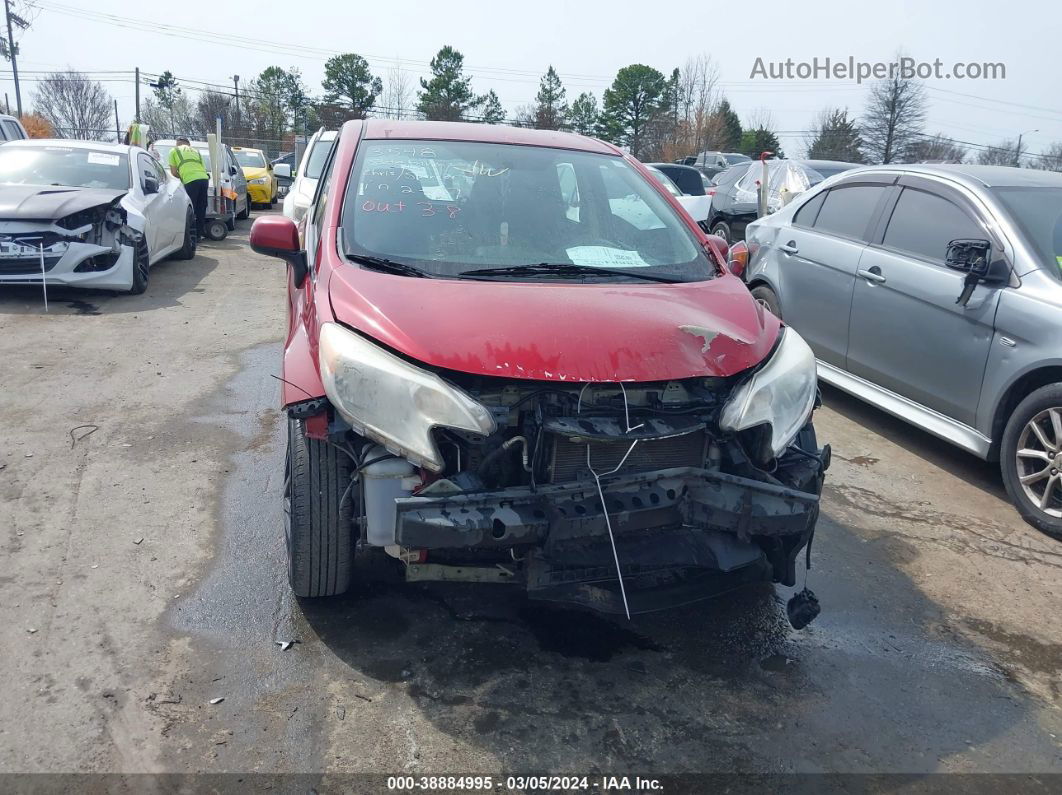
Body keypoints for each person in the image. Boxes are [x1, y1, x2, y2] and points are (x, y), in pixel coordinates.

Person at [168, 137, 210, 236]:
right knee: (201, 207)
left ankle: (190, 235)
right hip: (204, 179)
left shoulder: (174, 150)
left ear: (177, 143)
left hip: (190, 180)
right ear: (188, 144)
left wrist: (182, 177)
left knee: (190, 208)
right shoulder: (196, 151)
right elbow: (203, 168)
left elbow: (173, 172)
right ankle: (200, 233)